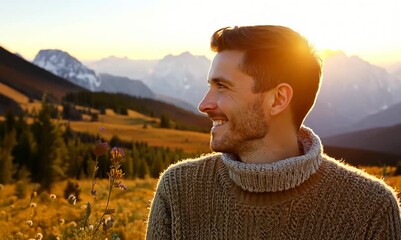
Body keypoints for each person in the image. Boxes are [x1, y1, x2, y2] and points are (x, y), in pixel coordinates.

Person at [146, 25, 401, 239]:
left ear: (278, 99)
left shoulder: (370, 209)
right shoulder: (179, 190)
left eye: (222, 86)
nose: (203, 105)